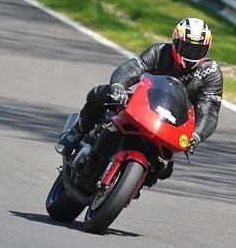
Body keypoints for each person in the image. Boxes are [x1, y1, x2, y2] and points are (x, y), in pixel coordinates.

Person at [59, 17, 223, 158]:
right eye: (187, 48)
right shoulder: (159, 52)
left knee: (165, 168)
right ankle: (76, 134)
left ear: (207, 49)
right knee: (101, 94)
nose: (191, 54)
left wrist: (196, 136)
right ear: (175, 41)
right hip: (143, 103)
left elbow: (209, 111)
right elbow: (132, 68)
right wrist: (118, 87)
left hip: (173, 121)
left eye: (197, 50)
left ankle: (133, 182)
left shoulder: (211, 72)